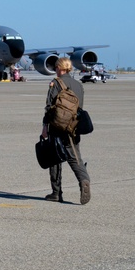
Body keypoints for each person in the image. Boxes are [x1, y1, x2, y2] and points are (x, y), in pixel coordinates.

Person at [42, 57, 91, 204]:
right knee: (75, 157)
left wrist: (45, 127)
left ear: (59, 67)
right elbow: (80, 107)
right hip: (73, 127)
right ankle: (84, 180)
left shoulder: (55, 83)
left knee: (54, 158)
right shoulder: (78, 85)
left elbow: (49, 108)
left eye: (56, 67)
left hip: (57, 126)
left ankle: (56, 192)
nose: (55, 70)